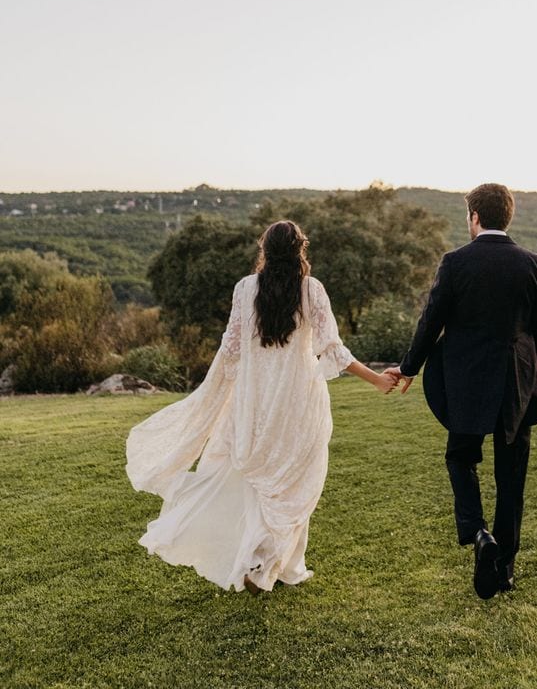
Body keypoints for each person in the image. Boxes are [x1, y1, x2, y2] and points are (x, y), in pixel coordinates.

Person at [126, 220, 395, 595]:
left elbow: (231, 351)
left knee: (259, 485)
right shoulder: (311, 290)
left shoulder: (244, 289)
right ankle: (267, 561)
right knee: (297, 485)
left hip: (254, 403)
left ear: (264, 250)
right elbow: (332, 350)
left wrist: (217, 395)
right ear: (300, 249)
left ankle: (264, 560)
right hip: (299, 404)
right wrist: (378, 378)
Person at [385, 183, 537, 599]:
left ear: (475, 217)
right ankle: (505, 568)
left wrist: (409, 367)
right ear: (508, 216)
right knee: (511, 474)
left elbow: (431, 321)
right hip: (517, 381)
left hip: (466, 382)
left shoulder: (456, 263)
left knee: (460, 457)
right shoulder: (534, 264)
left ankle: (479, 533)